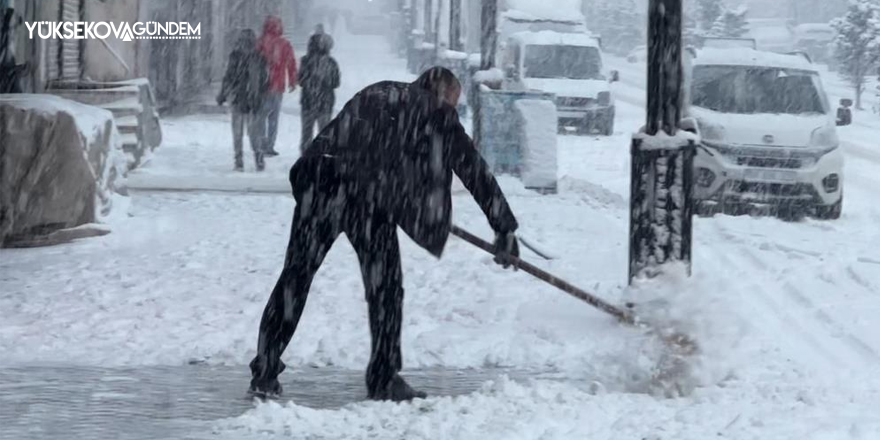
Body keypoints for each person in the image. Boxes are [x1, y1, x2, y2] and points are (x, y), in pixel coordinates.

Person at [248, 67, 521, 401]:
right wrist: (504, 227)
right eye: (453, 101)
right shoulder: (435, 113)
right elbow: (474, 170)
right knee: (386, 289)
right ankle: (383, 377)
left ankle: (265, 367)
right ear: (442, 94)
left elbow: (356, 141)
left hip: (320, 182)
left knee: (296, 277)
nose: (453, 108)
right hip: (366, 198)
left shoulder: (378, 90)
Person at [217, 29, 269, 172]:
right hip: (252, 100)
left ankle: (240, 161)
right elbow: (265, 81)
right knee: (253, 133)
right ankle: (257, 158)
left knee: (238, 133)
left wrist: (223, 94)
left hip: (240, 98)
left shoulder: (236, 56)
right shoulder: (259, 57)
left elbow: (228, 77)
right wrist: (261, 95)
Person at [257, 16, 298, 157]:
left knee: (261, 116)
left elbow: (253, 64)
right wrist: (292, 81)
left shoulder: (260, 43)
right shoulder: (284, 44)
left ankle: (261, 143)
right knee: (273, 118)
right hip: (277, 86)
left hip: (262, 86)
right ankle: (270, 145)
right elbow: (291, 64)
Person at [298, 28, 340, 153]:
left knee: (306, 133)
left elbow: (301, 81)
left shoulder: (305, 61)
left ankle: (305, 157)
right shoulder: (331, 62)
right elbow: (336, 83)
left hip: (307, 102)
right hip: (325, 103)